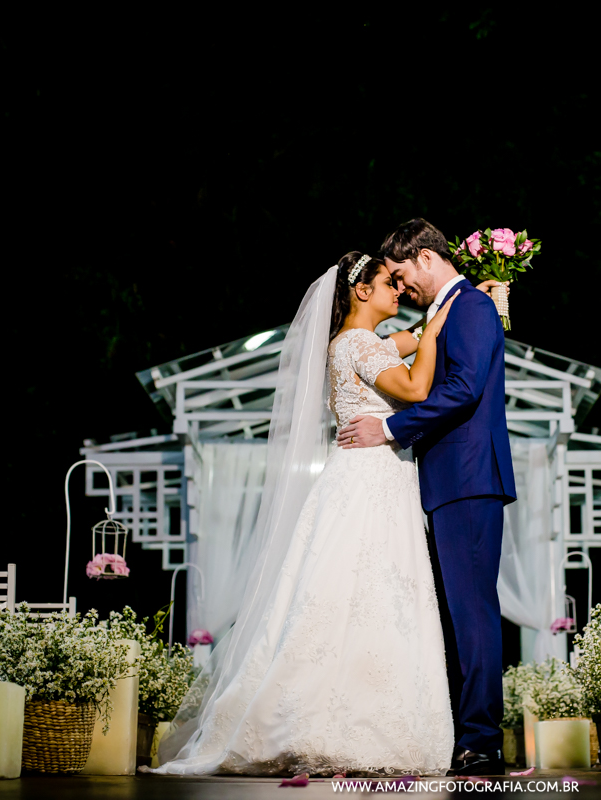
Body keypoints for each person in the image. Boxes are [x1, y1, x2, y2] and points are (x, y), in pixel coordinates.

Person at [150, 252, 460, 776]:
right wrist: (433, 337)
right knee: (367, 592)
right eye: (389, 282)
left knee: (352, 594)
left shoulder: (355, 342)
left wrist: (440, 311)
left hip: (366, 478)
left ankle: (338, 718)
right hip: (369, 481)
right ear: (361, 291)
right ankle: (349, 724)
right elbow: (415, 389)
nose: (400, 291)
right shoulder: (360, 343)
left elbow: (404, 339)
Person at [338, 218, 517, 777]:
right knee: (458, 614)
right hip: (449, 483)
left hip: (467, 478)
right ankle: (464, 734)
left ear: (422, 257)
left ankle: (482, 742)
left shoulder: (469, 307)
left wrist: (390, 430)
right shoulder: (453, 309)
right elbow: (417, 349)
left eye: (401, 275)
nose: (402, 288)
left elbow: (463, 390)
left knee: (473, 614)